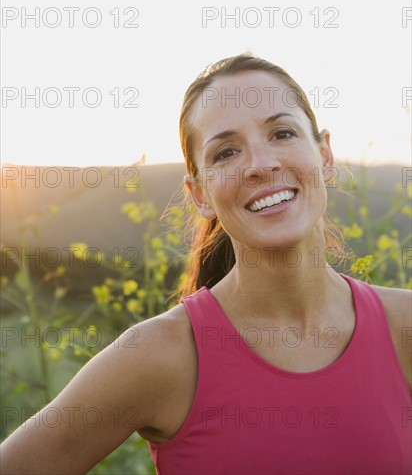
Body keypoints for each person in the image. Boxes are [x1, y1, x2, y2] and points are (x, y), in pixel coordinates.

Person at [1, 54, 411, 475]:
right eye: (226, 152)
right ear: (199, 194)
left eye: (282, 132)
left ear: (325, 155)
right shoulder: (159, 355)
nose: (260, 164)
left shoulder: (405, 326)